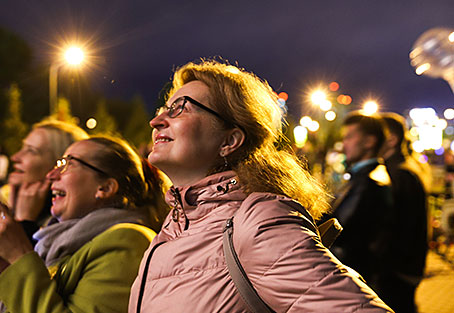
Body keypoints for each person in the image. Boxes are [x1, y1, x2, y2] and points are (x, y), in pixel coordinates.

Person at [129, 60, 393, 312]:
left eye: (181, 108)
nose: (157, 121)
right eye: (163, 109)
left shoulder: (257, 220)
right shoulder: (175, 226)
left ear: (229, 140)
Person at [0, 136, 169, 313]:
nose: (51, 175)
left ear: (104, 188)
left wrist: (20, 258)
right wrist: (10, 268)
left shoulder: (129, 241)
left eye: (68, 164)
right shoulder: (57, 241)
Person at [0, 120, 89, 290]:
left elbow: (17, 290)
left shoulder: (67, 226)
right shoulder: (16, 203)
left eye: (31, 151)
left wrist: (24, 224)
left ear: (59, 165)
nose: (15, 157)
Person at [329, 112, 394, 293]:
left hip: (350, 281)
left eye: (349, 137)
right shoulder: (368, 176)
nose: (344, 144)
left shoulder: (370, 182)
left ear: (369, 142)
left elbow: (341, 229)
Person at [380, 112, 428, 313]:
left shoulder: (400, 173)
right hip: (404, 269)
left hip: (399, 271)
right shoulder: (402, 168)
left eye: (377, 133)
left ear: (391, 139)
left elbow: (402, 227)